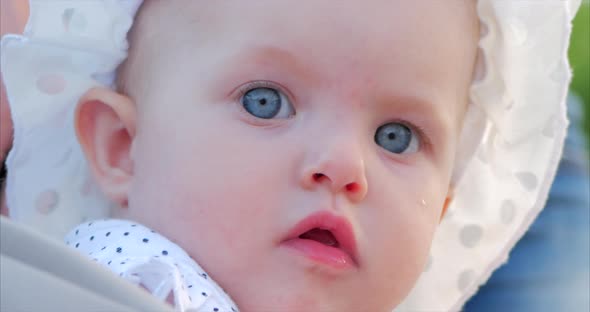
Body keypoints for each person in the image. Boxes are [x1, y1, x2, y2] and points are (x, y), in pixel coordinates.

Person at [0, 1, 581, 311]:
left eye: (396, 136)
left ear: (442, 212)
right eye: (265, 102)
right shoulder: (133, 282)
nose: (345, 166)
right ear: (123, 147)